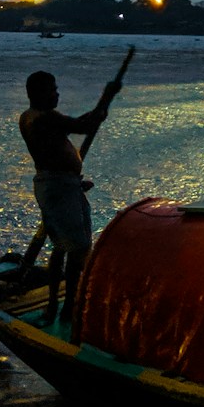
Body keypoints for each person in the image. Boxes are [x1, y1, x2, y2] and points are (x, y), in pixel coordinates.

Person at [19, 69, 120, 324]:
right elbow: (84, 126)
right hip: (57, 188)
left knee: (66, 246)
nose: (57, 93)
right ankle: (64, 307)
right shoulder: (40, 119)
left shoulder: (42, 118)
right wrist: (106, 98)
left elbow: (83, 123)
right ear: (38, 93)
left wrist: (100, 111)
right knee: (76, 248)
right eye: (52, 89)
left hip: (67, 186)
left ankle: (62, 306)